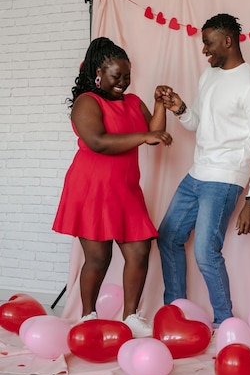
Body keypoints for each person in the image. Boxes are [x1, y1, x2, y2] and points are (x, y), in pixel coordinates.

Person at [157, 13, 250, 326]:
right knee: (168, 236)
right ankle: (177, 313)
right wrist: (181, 109)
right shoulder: (209, 75)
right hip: (197, 173)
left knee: (205, 252)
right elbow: (199, 123)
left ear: (228, 41)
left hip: (224, 180)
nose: (203, 50)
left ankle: (224, 323)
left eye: (208, 43)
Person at [53, 37, 173, 337]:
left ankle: (131, 317)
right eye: (116, 76)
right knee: (98, 257)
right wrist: (142, 138)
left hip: (126, 189)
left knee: (140, 251)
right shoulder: (87, 102)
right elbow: (98, 142)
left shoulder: (133, 102)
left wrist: (159, 104)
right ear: (98, 72)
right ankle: (88, 316)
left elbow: (155, 133)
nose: (123, 82)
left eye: (127, 76)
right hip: (92, 188)